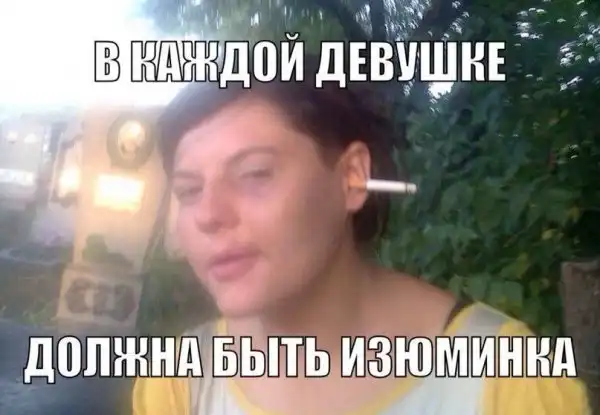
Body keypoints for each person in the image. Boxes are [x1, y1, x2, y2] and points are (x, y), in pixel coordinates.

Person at [132, 55, 591, 415]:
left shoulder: (508, 378)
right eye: (189, 191)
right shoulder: (180, 380)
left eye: (254, 174)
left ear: (352, 176)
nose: (208, 215)